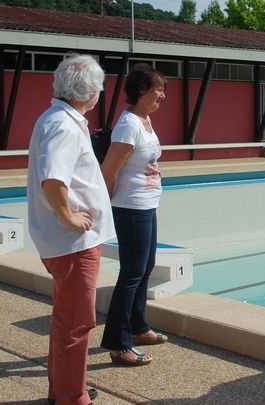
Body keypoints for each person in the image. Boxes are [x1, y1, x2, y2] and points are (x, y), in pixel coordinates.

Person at [27, 54, 115, 404]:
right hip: (73, 243)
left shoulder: (56, 119)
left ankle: (63, 389)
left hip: (67, 242)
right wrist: (69, 217)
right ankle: (71, 396)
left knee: (67, 319)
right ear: (91, 92)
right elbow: (54, 180)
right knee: (77, 324)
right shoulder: (64, 126)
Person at [100, 63, 168, 366]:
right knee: (131, 273)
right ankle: (118, 343)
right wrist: (105, 205)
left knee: (145, 267)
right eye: (158, 89)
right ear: (142, 91)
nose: (163, 96)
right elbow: (109, 170)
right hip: (131, 206)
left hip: (147, 203)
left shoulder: (145, 120)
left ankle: (139, 327)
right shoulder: (128, 125)